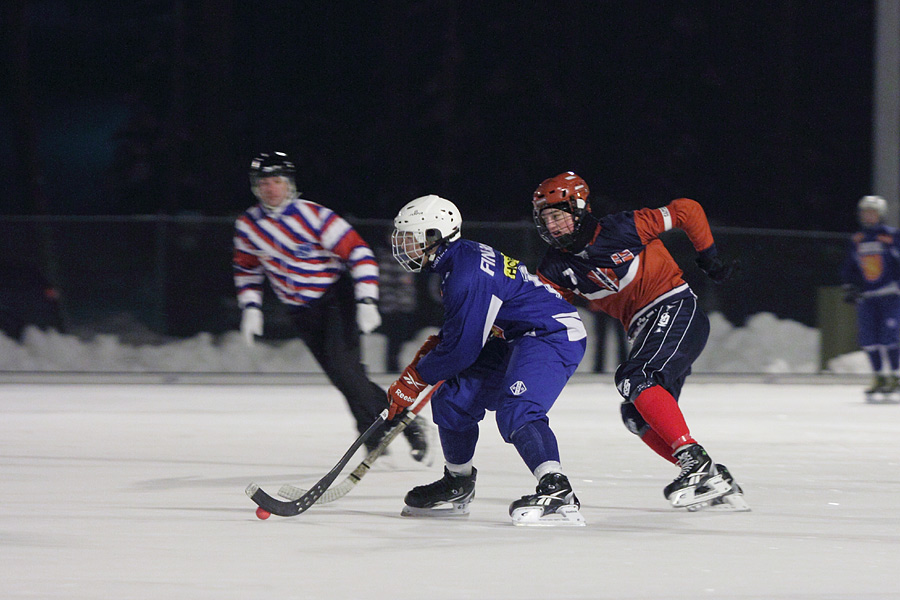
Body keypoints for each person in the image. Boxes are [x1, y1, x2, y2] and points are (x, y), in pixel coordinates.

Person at [530, 171, 748, 511]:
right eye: (546, 219)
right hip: (646, 329)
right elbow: (546, 314)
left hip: (675, 307)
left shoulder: (622, 227)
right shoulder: (555, 266)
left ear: (579, 208)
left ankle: (698, 465)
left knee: (635, 377)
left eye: (557, 215)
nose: (552, 226)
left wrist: (709, 258)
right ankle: (712, 478)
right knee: (636, 416)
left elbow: (687, 210)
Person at [385, 194, 588, 525]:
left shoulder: (464, 274)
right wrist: (438, 351)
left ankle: (557, 488)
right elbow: (463, 335)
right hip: (515, 335)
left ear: (434, 235)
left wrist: (415, 378)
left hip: (550, 333)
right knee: (453, 397)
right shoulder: (458, 258)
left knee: (517, 408)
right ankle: (458, 483)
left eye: (411, 238)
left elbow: (462, 351)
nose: (405, 247)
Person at [232, 151, 433, 461]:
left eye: (277, 181)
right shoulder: (249, 225)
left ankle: (404, 422)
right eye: (264, 182)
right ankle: (377, 434)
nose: (271, 188)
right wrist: (250, 306)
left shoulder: (315, 216)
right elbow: (246, 267)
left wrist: (366, 299)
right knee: (345, 378)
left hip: (335, 301)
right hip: (300, 311)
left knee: (347, 373)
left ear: (290, 184)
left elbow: (359, 252)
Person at [840, 195, 900, 402]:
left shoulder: (892, 236)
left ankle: (895, 375)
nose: (868, 216)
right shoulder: (857, 239)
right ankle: (878, 377)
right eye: (865, 212)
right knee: (868, 339)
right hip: (867, 297)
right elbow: (851, 266)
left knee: (889, 337)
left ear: (881, 214)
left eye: (872, 212)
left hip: (889, 295)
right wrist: (849, 286)